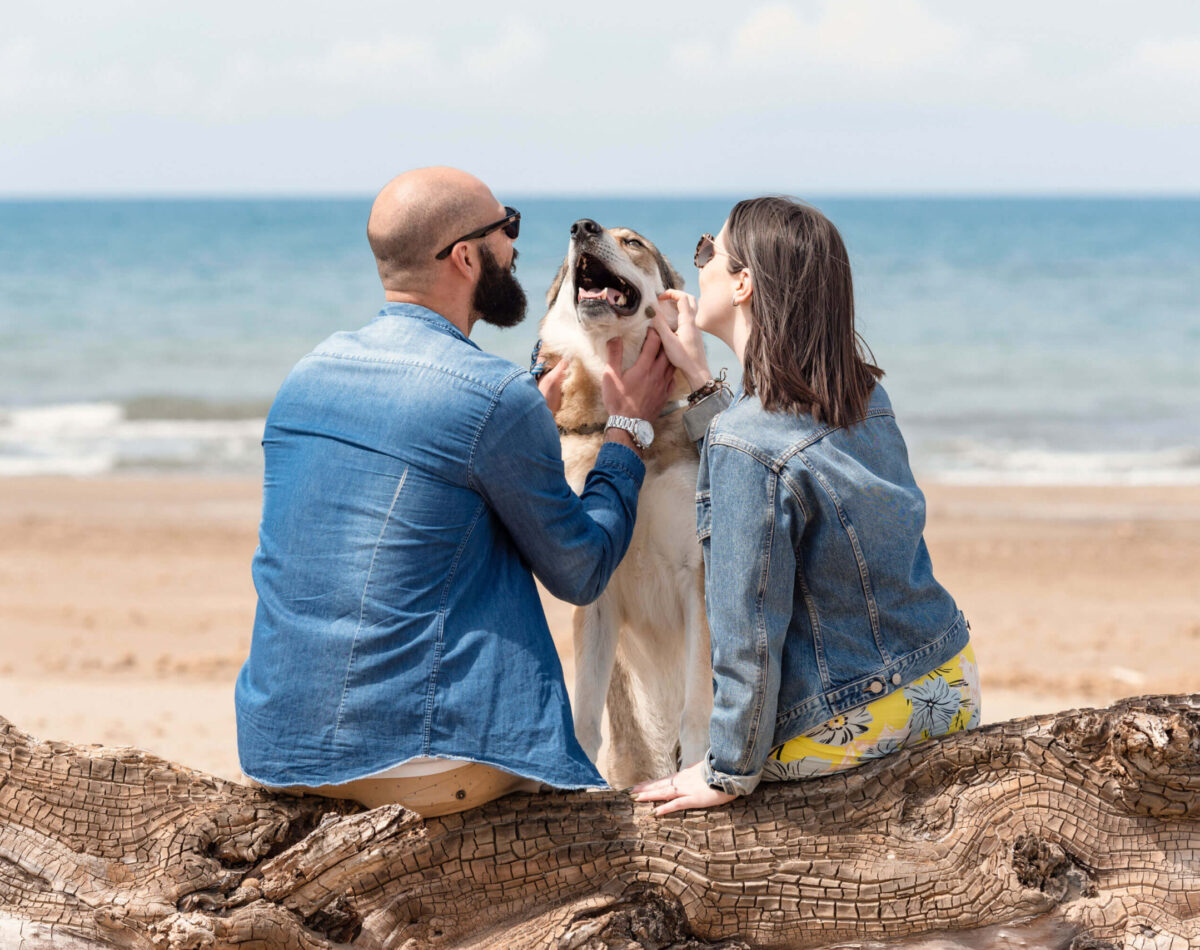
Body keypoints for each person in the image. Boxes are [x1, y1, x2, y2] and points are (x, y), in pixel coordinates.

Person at [234, 167, 675, 817]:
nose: (517, 247)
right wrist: (628, 431)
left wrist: (520, 412)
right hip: (426, 759)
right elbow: (581, 571)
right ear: (466, 256)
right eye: (508, 228)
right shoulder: (493, 396)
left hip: (279, 748)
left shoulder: (307, 372)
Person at [633, 196, 980, 815]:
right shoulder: (862, 392)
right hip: (946, 677)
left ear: (743, 283)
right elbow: (776, 456)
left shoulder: (746, 442)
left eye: (708, 251)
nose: (701, 266)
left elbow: (748, 635)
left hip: (854, 714)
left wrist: (725, 770)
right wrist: (699, 381)